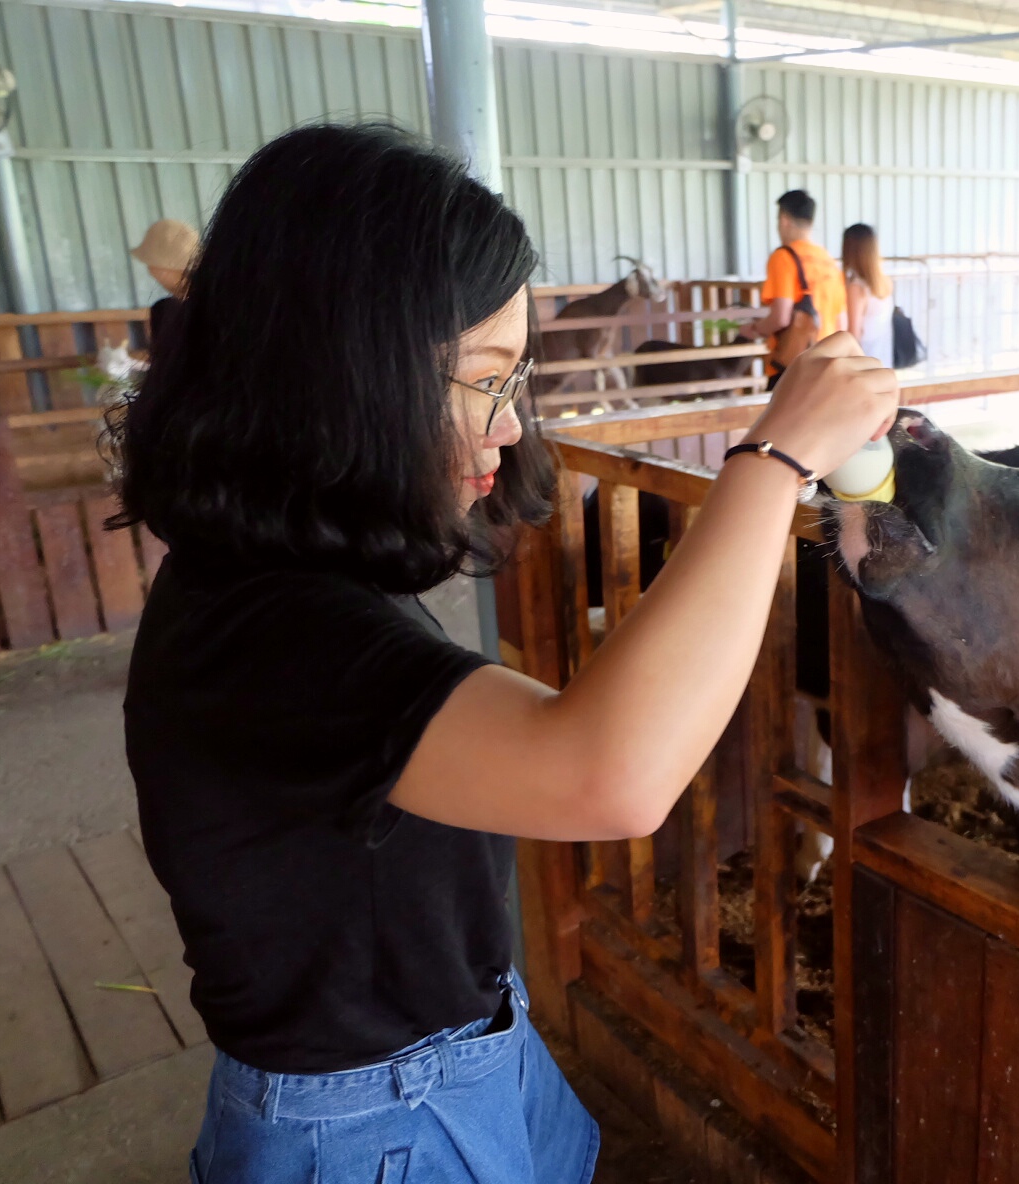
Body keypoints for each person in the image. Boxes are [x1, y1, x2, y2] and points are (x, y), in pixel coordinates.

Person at [110, 124, 897, 1184]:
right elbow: (611, 775)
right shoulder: (270, 627)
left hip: (455, 1051)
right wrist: (770, 462)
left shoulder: (268, 578)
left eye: (514, 375)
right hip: (367, 1124)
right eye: (482, 378)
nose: (507, 425)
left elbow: (529, 739)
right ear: (342, 369)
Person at [739, 190, 847, 389]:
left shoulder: (784, 257)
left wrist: (753, 329)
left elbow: (781, 317)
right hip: (827, 365)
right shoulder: (829, 262)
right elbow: (840, 323)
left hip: (793, 367)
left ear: (784, 220)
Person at [129, 218, 199, 345]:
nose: (150, 271)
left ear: (164, 269)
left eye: (150, 263)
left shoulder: (170, 310)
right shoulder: (213, 297)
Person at [842, 223, 895, 367]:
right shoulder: (884, 283)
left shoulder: (857, 288)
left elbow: (854, 334)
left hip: (864, 363)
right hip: (883, 360)